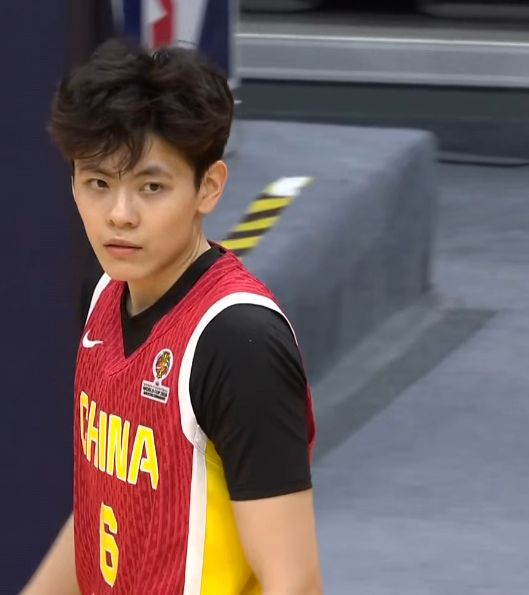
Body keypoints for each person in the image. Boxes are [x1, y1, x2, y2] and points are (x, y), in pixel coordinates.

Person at [21, 37, 323, 595]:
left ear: (208, 187)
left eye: (151, 187)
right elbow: (103, 505)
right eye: (98, 183)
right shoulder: (106, 293)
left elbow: (295, 581)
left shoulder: (238, 340)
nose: (120, 214)